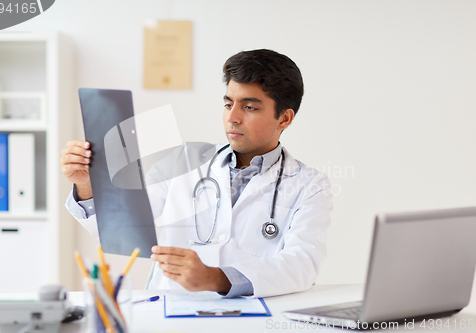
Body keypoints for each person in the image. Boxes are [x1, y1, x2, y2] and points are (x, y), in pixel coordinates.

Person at [61, 49, 332, 298]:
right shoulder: (185, 160)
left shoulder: (310, 185)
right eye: (228, 104)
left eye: (249, 107)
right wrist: (86, 185)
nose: (232, 117)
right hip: (171, 311)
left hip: (252, 318)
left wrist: (218, 279)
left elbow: (302, 263)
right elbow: (123, 228)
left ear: (284, 118)